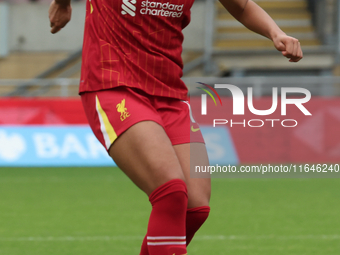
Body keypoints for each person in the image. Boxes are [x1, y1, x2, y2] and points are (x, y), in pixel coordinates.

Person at [48, 0, 303, 254]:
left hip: (169, 94)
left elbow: (242, 6)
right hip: (114, 84)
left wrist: (276, 32)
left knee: (196, 207)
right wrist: (62, 3)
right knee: (170, 191)